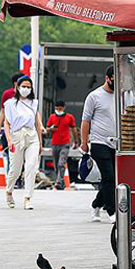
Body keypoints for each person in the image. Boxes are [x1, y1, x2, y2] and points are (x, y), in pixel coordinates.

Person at [80, 65, 117, 223]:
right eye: (114, 79)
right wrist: (84, 142)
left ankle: (96, 204)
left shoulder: (122, 95)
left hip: (117, 143)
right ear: (107, 78)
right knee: (108, 177)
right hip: (98, 141)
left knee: (114, 179)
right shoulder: (94, 96)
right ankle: (111, 211)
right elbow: (85, 121)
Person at [3, 75, 44, 210]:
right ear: (18, 87)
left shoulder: (34, 103)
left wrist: (40, 142)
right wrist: (9, 140)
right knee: (15, 170)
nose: (26, 89)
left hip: (32, 136)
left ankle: (27, 198)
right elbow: (6, 123)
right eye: (23, 86)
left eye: (28, 86)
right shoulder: (10, 103)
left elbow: (37, 124)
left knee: (31, 167)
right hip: (16, 137)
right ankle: (9, 191)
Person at [46, 99, 79, 190]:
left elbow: (73, 129)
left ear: (64, 108)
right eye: (57, 108)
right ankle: (61, 182)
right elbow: (46, 129)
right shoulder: (52, 117)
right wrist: (51, 129)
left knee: (61, 163)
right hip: (54, 144)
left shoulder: (69, 117)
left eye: (60, 108)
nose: (58, 110)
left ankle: (59, 182)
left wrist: (76, 141)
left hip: (65, 143)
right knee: (56, 164)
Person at [0, 72, 25, 172]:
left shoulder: (28, 95)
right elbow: (3, 111)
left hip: (24, 129)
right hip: (10, 129)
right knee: (11, 155)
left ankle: (21, 175)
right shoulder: (7, 94)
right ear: (15, 83)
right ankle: (12, 178)